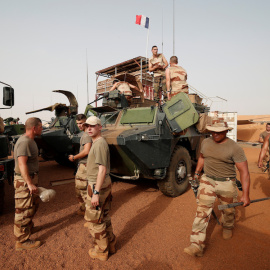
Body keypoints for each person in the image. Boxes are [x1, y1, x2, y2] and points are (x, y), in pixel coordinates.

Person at [184, 120, 250, 257]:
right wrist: (197, 173)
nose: (215, 134)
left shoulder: (235, 148)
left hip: (226, 183)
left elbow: (244, 171)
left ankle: (227, 226)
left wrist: (245, 195)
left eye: (219, 131)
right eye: (213, 131)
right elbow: (202, 157)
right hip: (207, 181)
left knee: (228, 210)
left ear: (226, 131)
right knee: (201, 211)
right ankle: (196, 244)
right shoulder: (206, 142)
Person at [83, 116, 115, 262]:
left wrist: (95, 192)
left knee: (95, 220)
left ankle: (102, 251)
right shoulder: (97, 143)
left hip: (97, 185)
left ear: (100, 127)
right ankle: (111, 243)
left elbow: (102, 170)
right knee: (104, 215)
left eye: (92, 126)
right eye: (87, 126)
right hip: (100, 184)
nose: (89, 128)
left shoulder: (100, 144)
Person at [13, 117, 43, 250]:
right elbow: (21, 164)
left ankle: (28, 227)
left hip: (30, 179)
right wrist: (29, 183)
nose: (42, 129)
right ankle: (22, 241)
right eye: (41, 127)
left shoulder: (30, 140)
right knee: (23, 210)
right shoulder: (24, 142)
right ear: (34, 128)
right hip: (24, 182)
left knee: (32, 205)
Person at [68, 114, 92, 216]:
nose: (79, 125)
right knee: (79, 190)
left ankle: (90, 214)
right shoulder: (85, 134)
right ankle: (84, 210)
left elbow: (86, 151)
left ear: (86, 122)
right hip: (82, 166)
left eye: (81, 123)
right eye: (78, 123)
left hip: (85, 166)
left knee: (83, 191)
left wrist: (74, 157)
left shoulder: (86, 135)